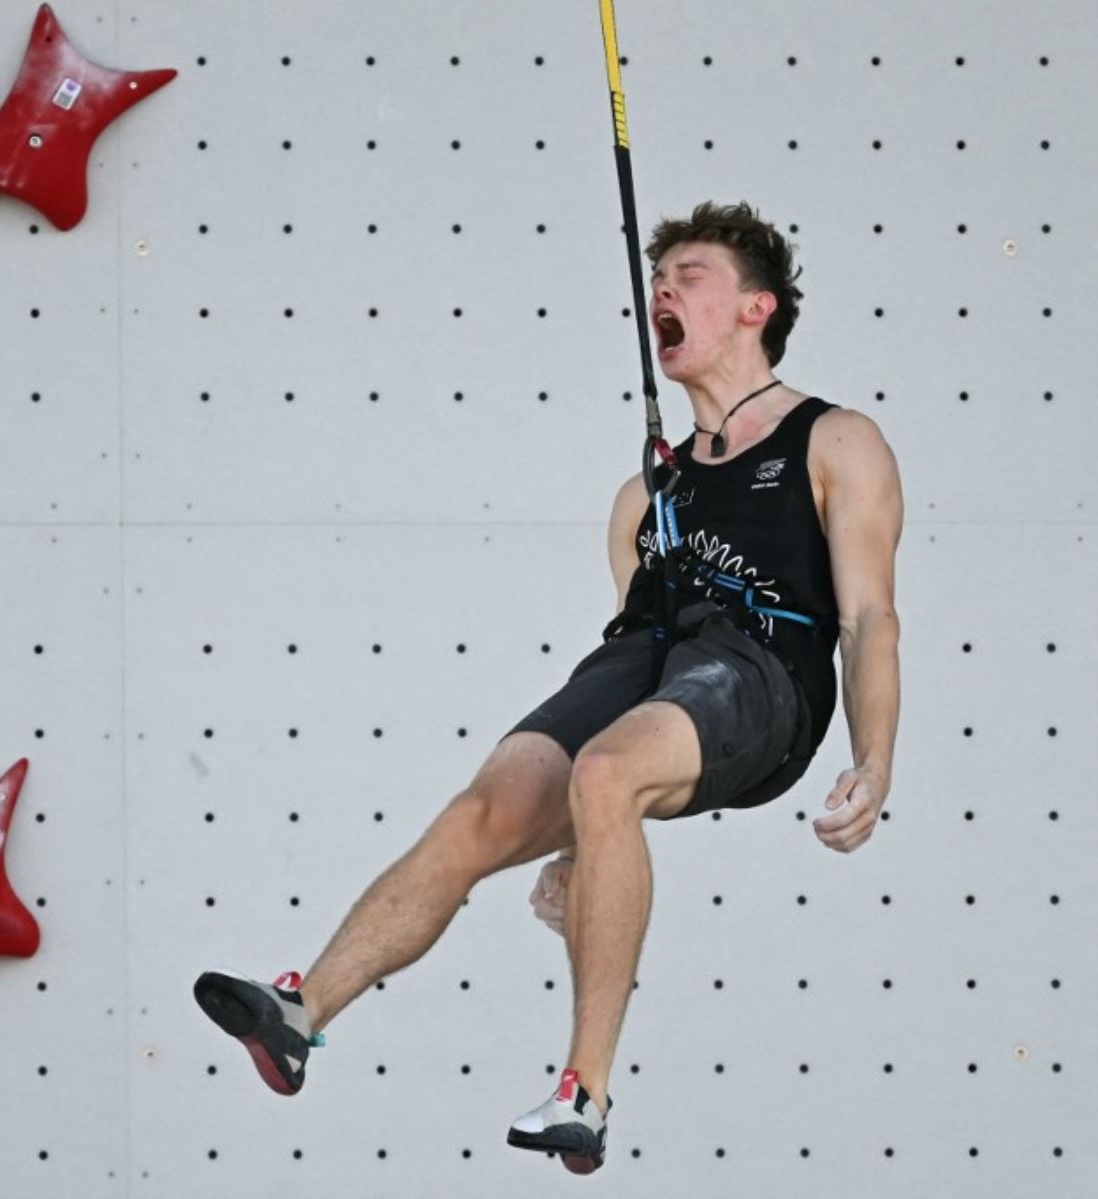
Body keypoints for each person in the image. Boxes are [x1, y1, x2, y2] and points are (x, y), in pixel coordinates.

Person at [194, 200, 904, 1174]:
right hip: (655, 660)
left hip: (764, 671)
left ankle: (585, 1089)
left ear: (755, 308)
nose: (663, 288)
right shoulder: (641, 500)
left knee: (607, 771)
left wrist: (874, 757)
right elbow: (635, 692)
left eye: (689, 273)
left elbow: (867, 618)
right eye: (658, 277)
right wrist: (578, 838)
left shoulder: (833, 441)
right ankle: (299, 1009)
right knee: (479, 813)